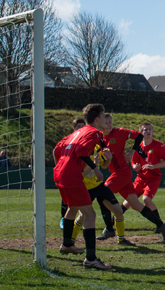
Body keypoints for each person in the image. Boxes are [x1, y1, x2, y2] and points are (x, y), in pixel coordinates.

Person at [53, 103, 112, 270]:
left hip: (60, 173)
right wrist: (94, 168)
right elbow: (80, 151)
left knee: (72, 208)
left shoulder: (77, 132)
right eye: (103, 116)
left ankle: (66, 244)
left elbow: (57, 150)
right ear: (96, 119)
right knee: (89, 213)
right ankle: (91, 258)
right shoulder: (93, 132)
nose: (105, 119)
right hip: (71, 176)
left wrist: (63, 166)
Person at [101, 114, 165, 241]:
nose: (108, 124)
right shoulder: (99, 138)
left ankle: (109, 229)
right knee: (135, 204)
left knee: (102, 193)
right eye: (106, 122)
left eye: (110, 122)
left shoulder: (119, 132)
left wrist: (132, 152)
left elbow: (138, 136)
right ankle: (161, 224)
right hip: (120, 173)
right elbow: (105, 164)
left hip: (122, 172)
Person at [58, 139, 137, 248]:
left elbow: (104, 166)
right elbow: (79, 175)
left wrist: (108, 159)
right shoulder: (77, 151)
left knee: (118, 211)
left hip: (99, 186)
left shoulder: (97, 148)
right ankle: (71, 241)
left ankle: (121, 239)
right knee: (82, 216)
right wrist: (94, 165)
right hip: (85, 188)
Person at [129, 122, 165, 235]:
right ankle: (112, 224)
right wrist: (135, 166)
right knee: (128, 200)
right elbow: (133, 161)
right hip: (140, 178)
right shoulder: (138, 146)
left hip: (153, 178)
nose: (148, 131)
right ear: (141, 132)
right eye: (145, 129)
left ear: (152, 132)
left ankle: (160, 225)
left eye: (150, 129)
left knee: (146, 200)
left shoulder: (158, 145)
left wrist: (153, 166)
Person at [59, 117, 87, 230]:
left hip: (82, 176)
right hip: (68, 175)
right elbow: (56, 151)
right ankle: (64, 220)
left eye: (82, 127)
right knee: (66, 200)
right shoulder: (68, 140)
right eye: (78, 127)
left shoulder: (86, 141)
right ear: (74, 128)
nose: (80, 129)